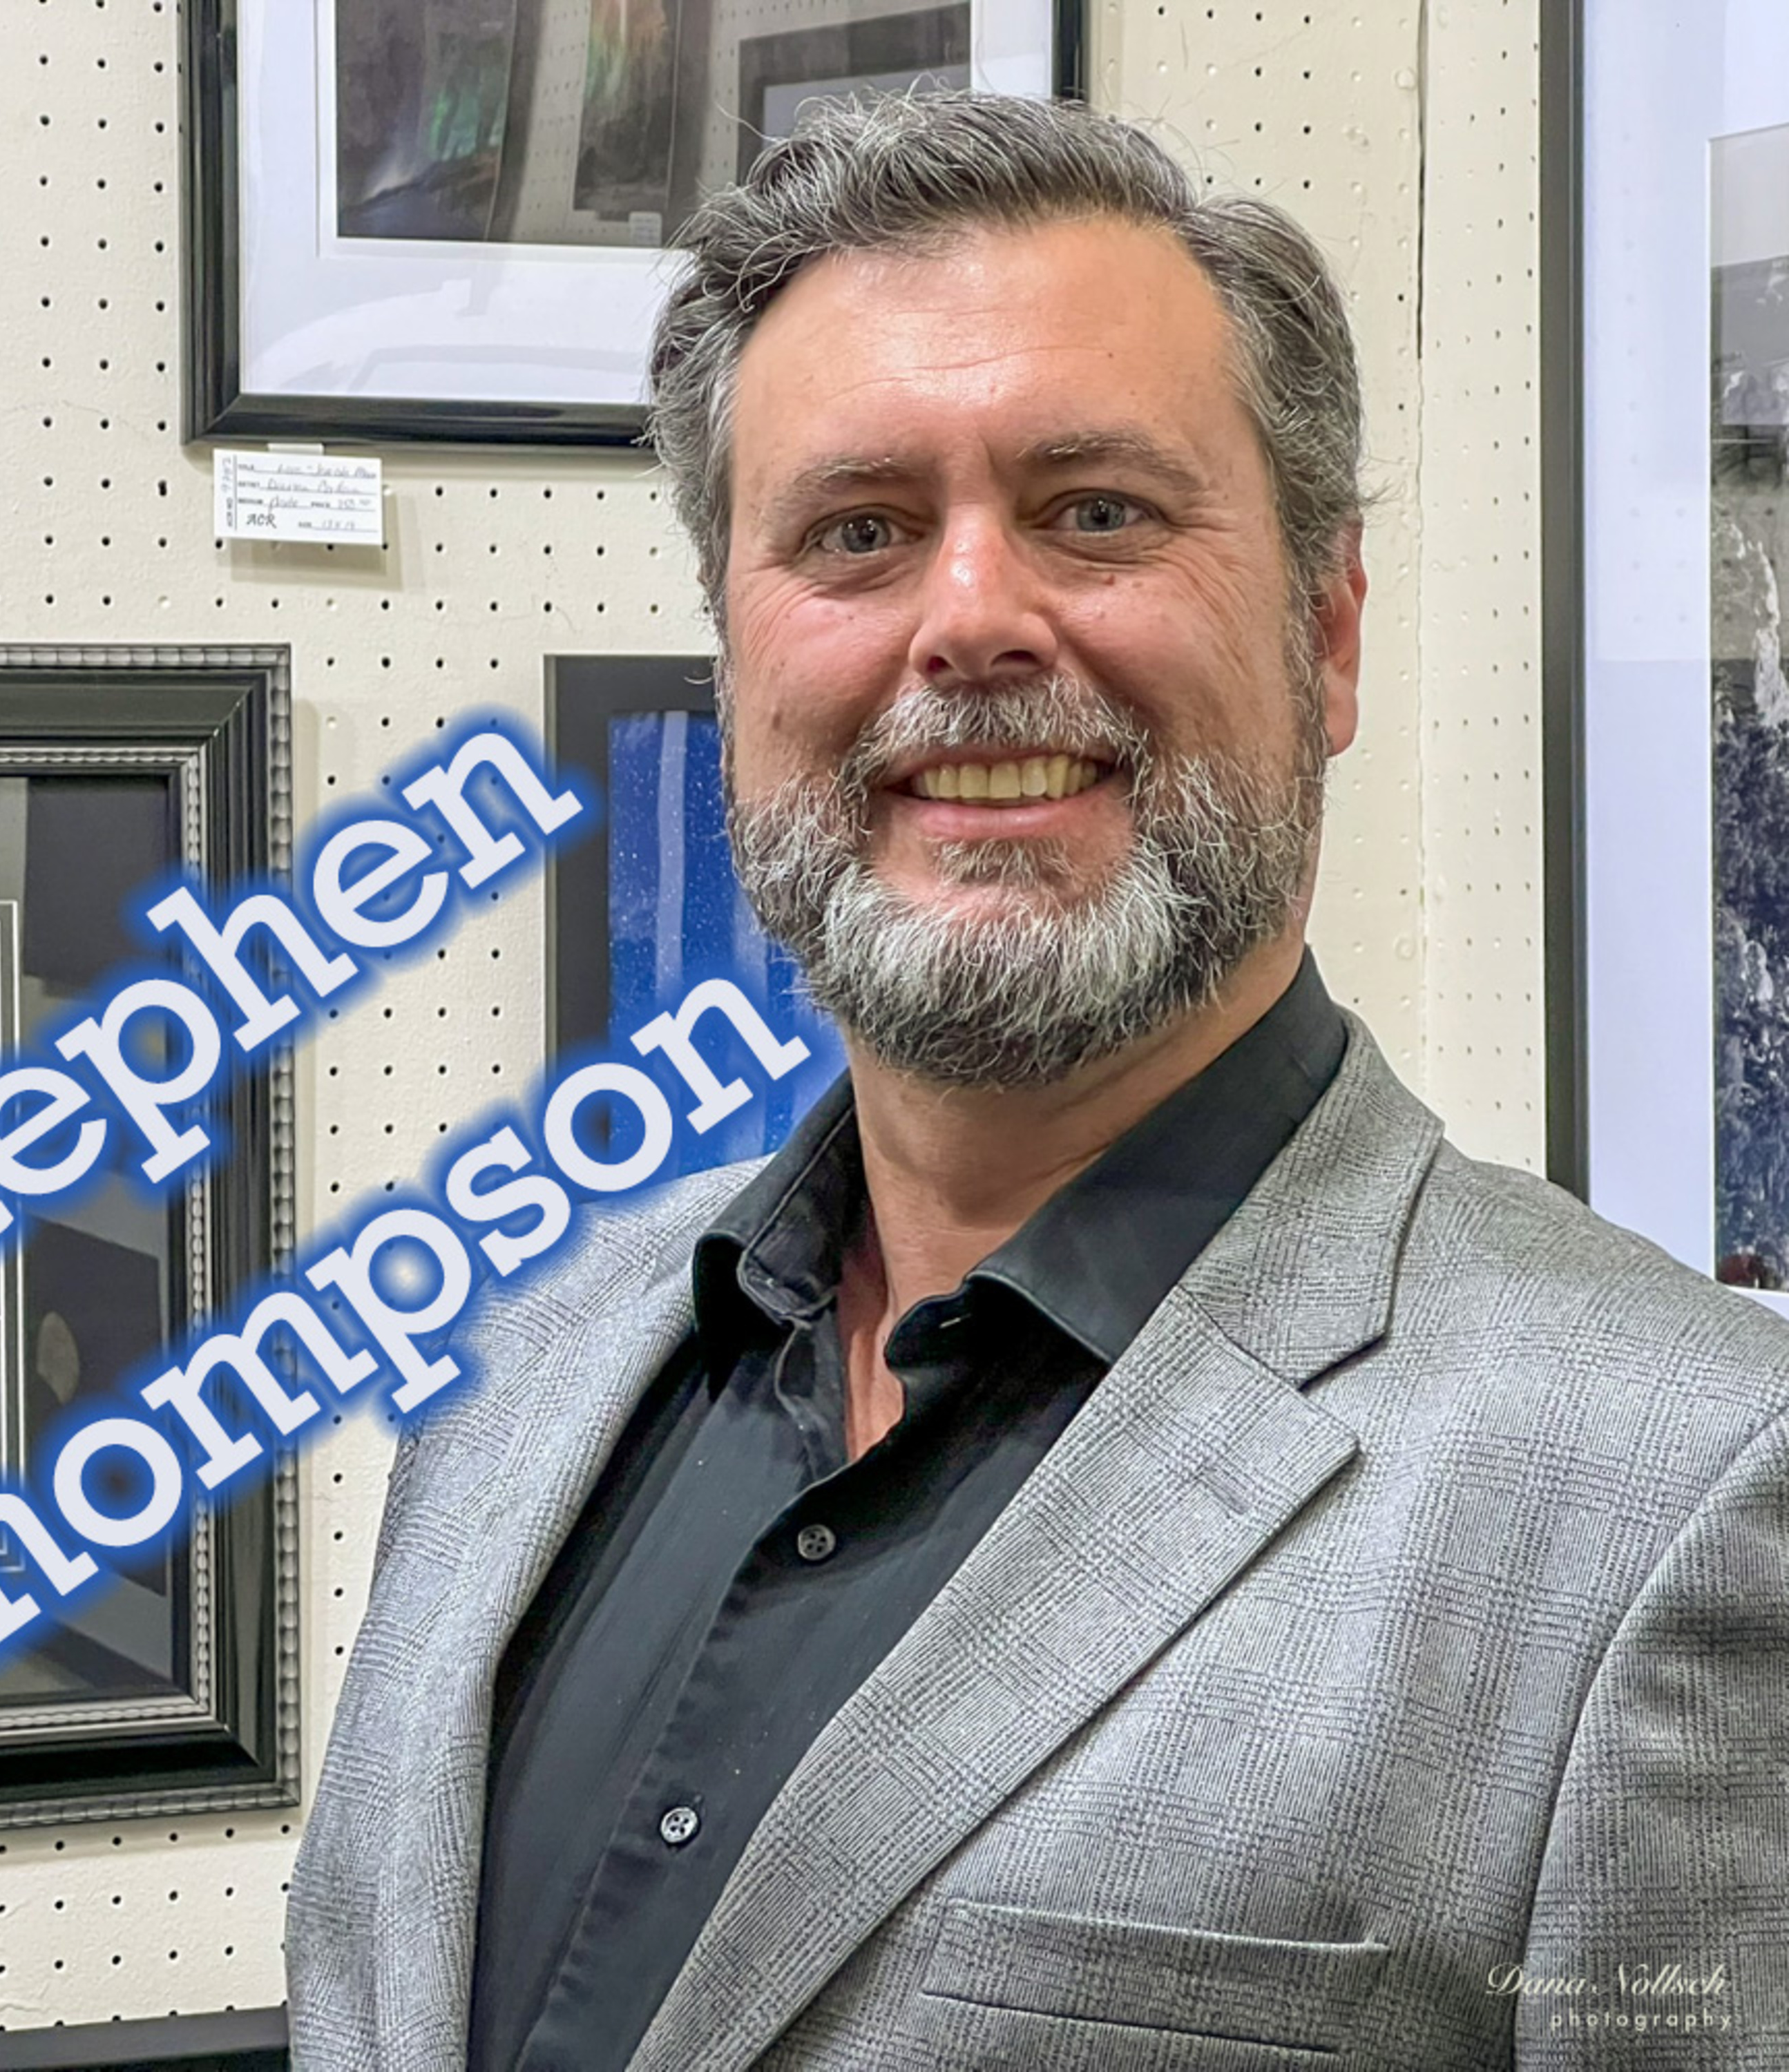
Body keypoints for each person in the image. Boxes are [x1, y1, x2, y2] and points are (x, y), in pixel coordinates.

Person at [288, 93, 1789, 2071]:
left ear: (1329, 633)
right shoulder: (521, 1369)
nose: (972, 620)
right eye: (856, 532)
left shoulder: (1683, 1489)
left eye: (1096, 512)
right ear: (735, 659)